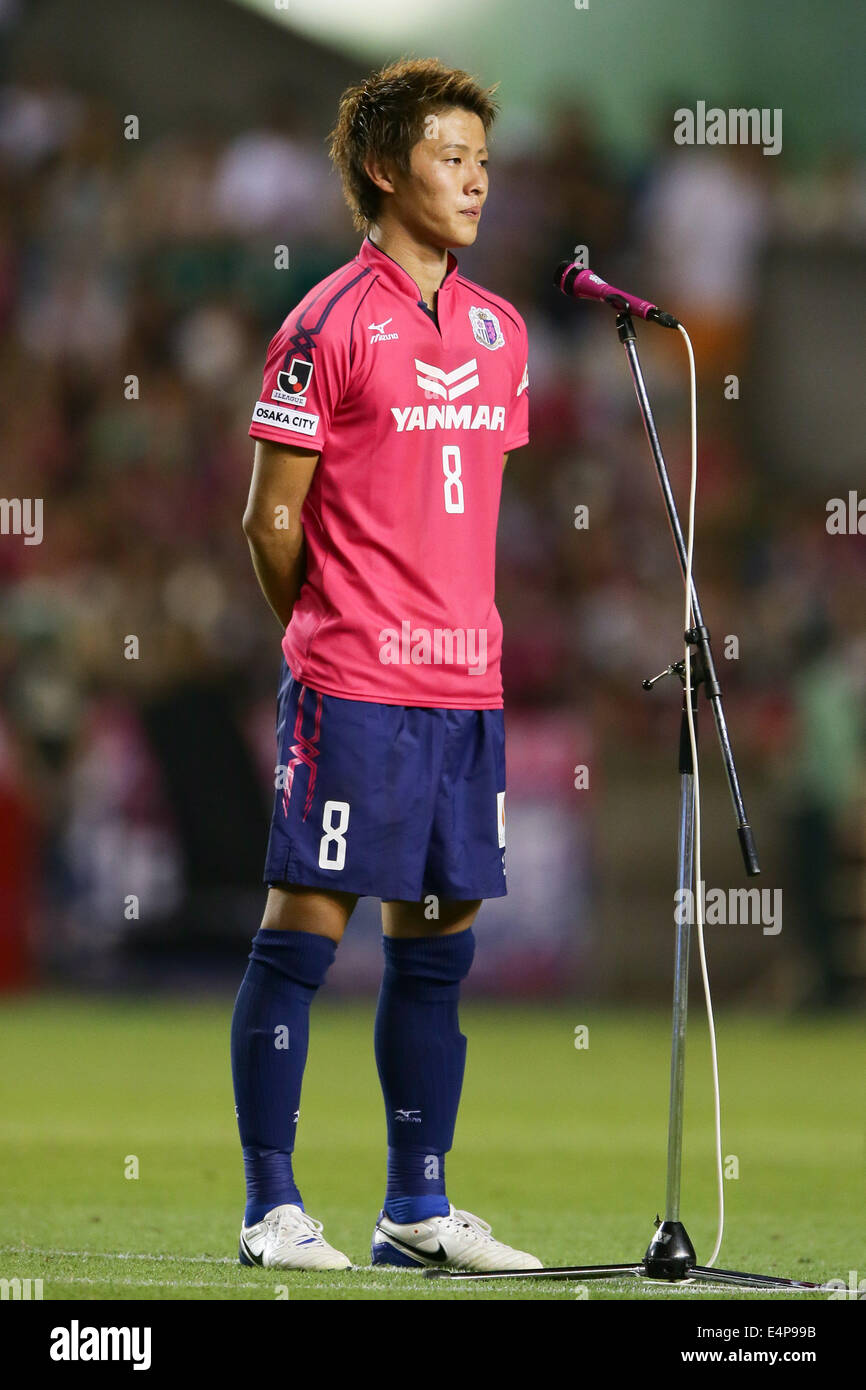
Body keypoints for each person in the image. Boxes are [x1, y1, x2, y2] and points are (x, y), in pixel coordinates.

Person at [232, 57, 539, 1273]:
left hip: (466, 682)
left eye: (480, 158)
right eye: (448, 156)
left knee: (438, 940)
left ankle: (417, 1203)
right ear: (380, 168)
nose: (473, 178)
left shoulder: (502, 330)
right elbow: (269, 521)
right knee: (307, 926)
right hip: (353, 679)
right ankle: (270, 1206)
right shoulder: (321, 326)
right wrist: (326, 636)